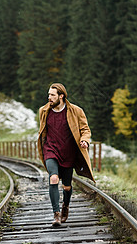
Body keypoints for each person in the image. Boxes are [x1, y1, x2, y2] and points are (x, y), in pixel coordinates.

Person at [38, 83, 95, 227]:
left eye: (52, 95)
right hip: (50, 149)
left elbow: (85, 129)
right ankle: (56, 214)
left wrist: (84, 141)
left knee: (67, 186)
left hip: (68, 153)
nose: (49, 98)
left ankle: (66, 206)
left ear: (61, 96)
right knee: (53, 178)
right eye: (49, 95)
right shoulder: (44, 111)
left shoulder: (76, 111)